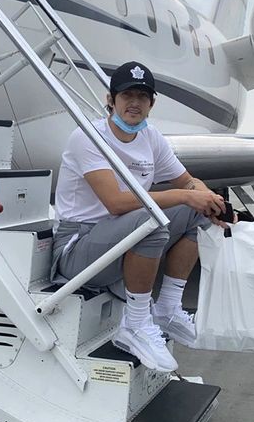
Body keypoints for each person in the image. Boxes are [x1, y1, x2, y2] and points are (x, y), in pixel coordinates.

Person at [51, 61, 228, 372]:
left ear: (151, 104)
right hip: (78, 247)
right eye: (127, 95)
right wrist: (186, 195)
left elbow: (188, 181)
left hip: (119, 238)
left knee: (196, 213)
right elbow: (116, 203)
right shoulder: (88, 136)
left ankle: (168, 309)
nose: (135, 103)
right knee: (152, 223)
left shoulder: (150, 137)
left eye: (142, 97)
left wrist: (210, 202)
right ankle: (134, 325)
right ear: (111, 100)